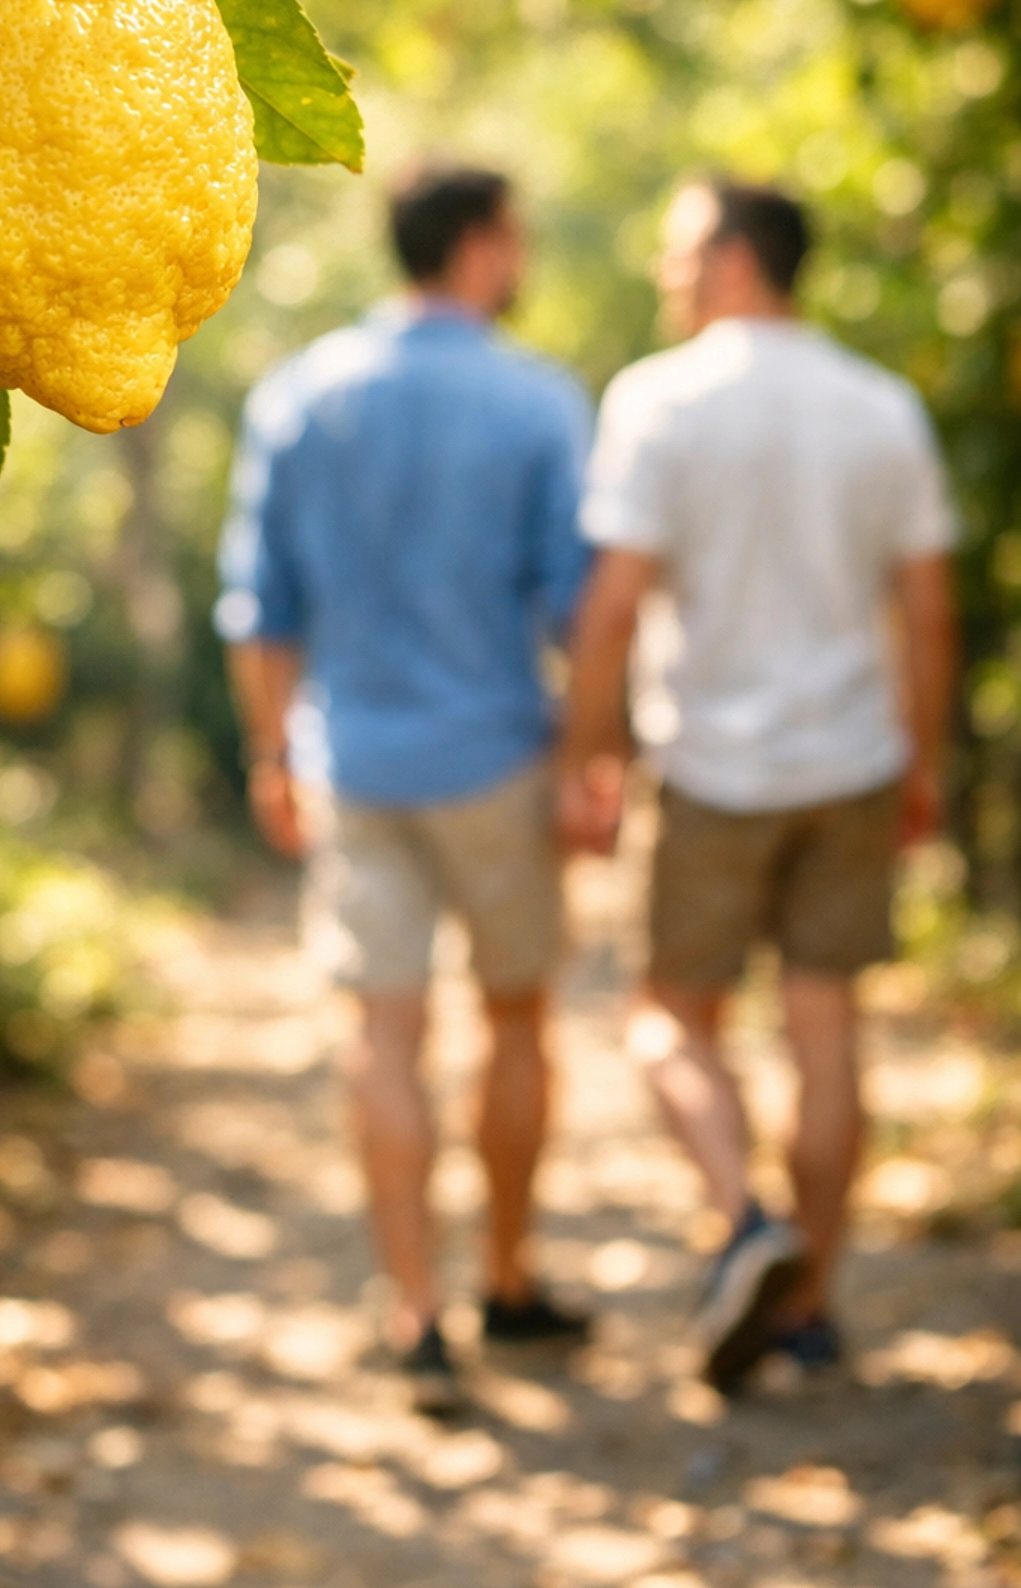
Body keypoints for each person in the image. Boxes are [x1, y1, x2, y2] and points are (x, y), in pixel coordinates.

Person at [558, 177, 957, 1392]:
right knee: (826, 1025)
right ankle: (813, 1308)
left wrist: (589, 753)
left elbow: (617, 603)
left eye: (681, 249)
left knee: (666, 1018)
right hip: (852, 763)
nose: (667, 271)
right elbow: (929, 610)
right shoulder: (881, 408)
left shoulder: (658, 401)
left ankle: (744, 1221)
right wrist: (920, 760)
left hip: (713, 771)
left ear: (736, 258)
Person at [215, 161, 592, 1408]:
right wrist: (598, 759)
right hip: (497, 757)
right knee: (518, 1016)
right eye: (516, 238)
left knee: (382, 1030)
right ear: (482, 246)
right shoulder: (538, 403)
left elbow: (258, 611)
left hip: (356, 762)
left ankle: (413, 1312)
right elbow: (580, 610)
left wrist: (275, 755)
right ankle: (513, 1279)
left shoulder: (301, 396)